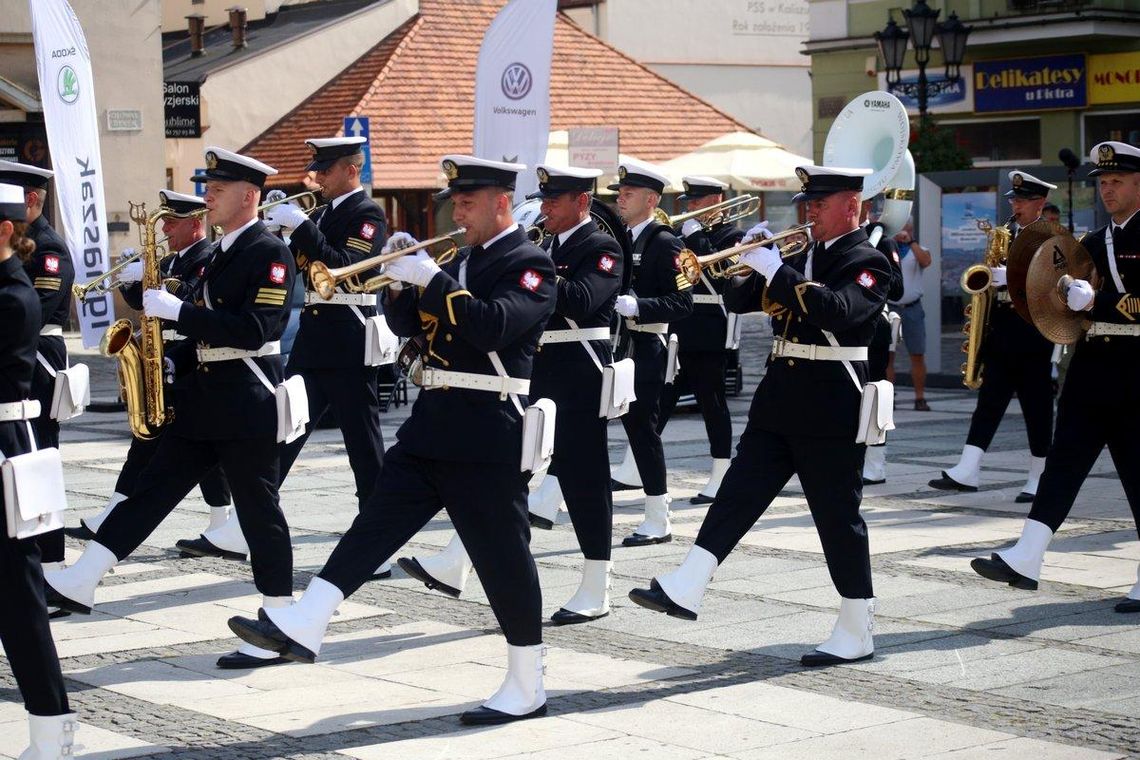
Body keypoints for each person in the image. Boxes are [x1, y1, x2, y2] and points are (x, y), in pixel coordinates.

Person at [228, 155, 557, 725]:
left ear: (502, 202)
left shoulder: (530, 265)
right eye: (455, 203)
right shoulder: (464, 257)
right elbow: (409, 329)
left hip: (486, 431)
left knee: (504, 560)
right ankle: (310, 618)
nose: (459, 213)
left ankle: (527, 682)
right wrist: (404, 286)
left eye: (469, 204)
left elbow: (492, 326)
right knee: (373, 524)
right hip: (432, 423)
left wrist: (432, 278)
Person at [43, 147, 299, 671]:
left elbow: (257, 331)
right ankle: (82, 577)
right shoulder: (226, 249)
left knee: (259, 514)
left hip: (246, 403)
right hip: (206, 399)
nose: (209, 196)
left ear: (249, 196)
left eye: (219, 189)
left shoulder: (268, 252)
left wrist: (182, 312)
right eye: (209, 187)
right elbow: (204, 331)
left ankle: (279, 619)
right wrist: (169, 357)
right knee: (149, 492)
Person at [628, 165, 891, 667]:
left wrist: (777, 269)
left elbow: (839, 310)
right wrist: (749, 261)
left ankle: (857, 627)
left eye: (819, 202)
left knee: (837, 519)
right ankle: (687, 583)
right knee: (736, 496)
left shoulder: (870, 261)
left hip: (833, 403)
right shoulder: (801, 253)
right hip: (780, 399)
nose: (808, 211)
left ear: (851, 205)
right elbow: (736, 299)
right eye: (807, 203)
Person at [176, 136, 392, 586]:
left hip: (350, 341)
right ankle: (244, 525)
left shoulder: (367, 215)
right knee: (283, 431)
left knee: (364, 446)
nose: (317, 177)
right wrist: (277, 232)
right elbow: (295, 268)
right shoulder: (322, 213)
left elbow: (343, 267)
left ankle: (378, 545)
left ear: (351, 169)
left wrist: (301, 227)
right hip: (316, 341)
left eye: (326, 169)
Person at [971, 141, 1140, 613]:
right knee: (1063, 463)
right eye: (1103, 182)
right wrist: (1018, 283)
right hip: (1091, 367)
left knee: (1137, 474)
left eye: (1117, 181)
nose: (1107, 190)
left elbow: (1110, 301)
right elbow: (1057, 285)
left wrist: (1099, 302)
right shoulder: (1094, 240)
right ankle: (1026, 558)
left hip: (1135, 369)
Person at [65, 190, 233, 543]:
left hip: (187, 355)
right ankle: (117, 509)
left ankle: (224, 521)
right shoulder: (170, 259)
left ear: (195, 223)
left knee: (197, 447)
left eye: (172, 222)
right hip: (161, 357)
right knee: (145, 440)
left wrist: (152, 279)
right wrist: (130, 282)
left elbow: (189, 298)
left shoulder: (206, 257)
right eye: (165, 222)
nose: (167, 229)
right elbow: (147, 304)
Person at [0, 182, 77, 758]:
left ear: (6, 230)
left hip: (5, 447)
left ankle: (52, 731)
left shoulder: (13, 297)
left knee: (21, 599)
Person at [929, 171, 1058, 501]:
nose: (1015, 206)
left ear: (1040, 203)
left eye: (1021, 200)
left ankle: (1039, 476)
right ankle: (968, 468)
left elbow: (1054, 287)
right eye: (1013, 200)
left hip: (1032, 332)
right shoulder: (1008, 233)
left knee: (1036, 406)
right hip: (1002, 327)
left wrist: (1013, 278)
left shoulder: (1051, 238)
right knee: (989, 401)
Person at [607, 159, 693, 546]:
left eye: (628, 194)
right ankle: (549, 498)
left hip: (646, 344)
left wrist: (640, 306)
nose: (620, 199)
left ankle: (659, 516)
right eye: (620, 194)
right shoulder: (619, 237)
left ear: (651, 199)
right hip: (616, 344)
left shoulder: (665, 242)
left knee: (642, 429)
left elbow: (683, 302)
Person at [0, 160, 74, 592]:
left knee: (41, 458)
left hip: (40, 359)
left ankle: (51, 564)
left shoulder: (50, 247)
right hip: (23, 357)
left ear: (31, 199)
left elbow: (37, 312)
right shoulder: (23, 241)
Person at [655, 176, 743, 504]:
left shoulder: (732, 235)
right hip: (681, 327)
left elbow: (721, 275)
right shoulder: (683, 234)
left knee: (712, 402)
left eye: (696, 201)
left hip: (710, 329)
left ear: (716, 199)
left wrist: (697, 239)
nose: (690, 208)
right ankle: (637, 464)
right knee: (661, 397)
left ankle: (721, 473)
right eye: (689, 202)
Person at [860, 201, 904, 485]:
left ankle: (875, 464)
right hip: (838, 328)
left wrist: (873, 259)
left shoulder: (882, 241)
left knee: (875, 395)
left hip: (873, 326)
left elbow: (898, 289)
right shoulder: (823, 240)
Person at [885, 220, 932, 411]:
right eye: (900, 228)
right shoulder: (887, 249)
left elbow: (926, 261)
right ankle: (889, 397)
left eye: (907, 228)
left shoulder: (919, 249)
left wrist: (911, 242)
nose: (903, 231)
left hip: (912, 307)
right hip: (891, 306)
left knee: (917, 354)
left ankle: (919, 397)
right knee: (888, 355)